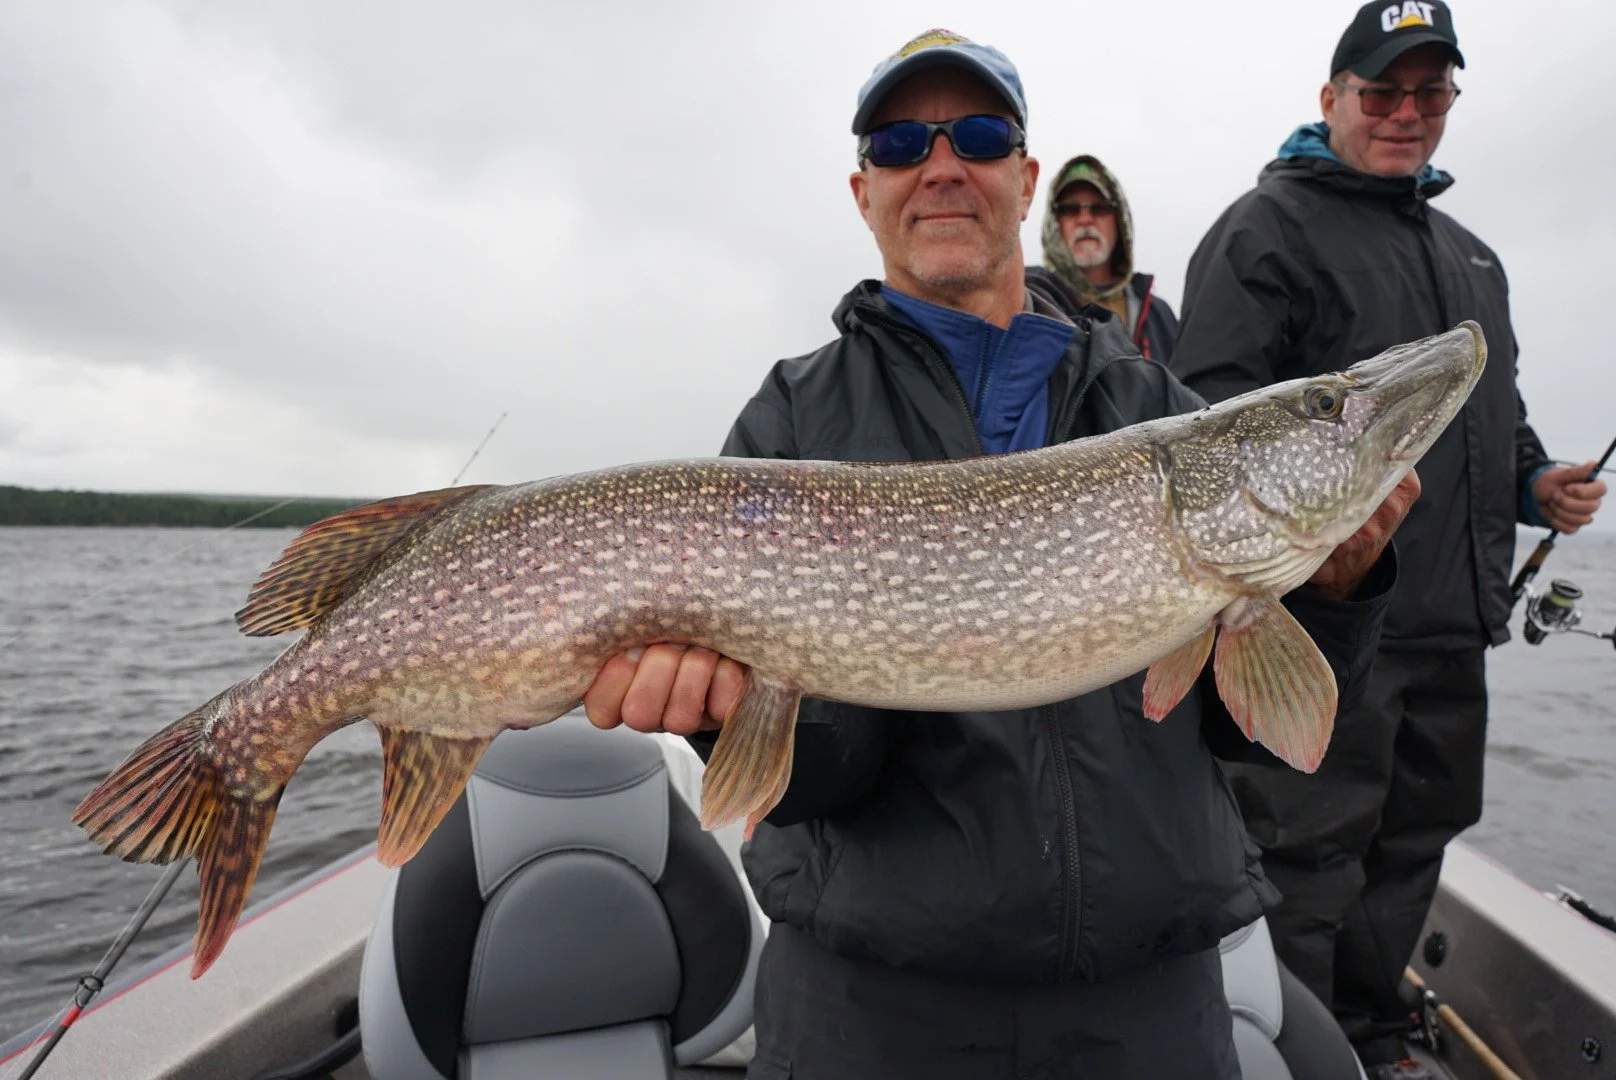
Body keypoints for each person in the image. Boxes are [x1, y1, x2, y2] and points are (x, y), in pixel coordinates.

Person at [584, 29, 1411, 1079]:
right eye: (899, 143)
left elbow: (1255, 737)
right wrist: (718, 714)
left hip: (1144, 997)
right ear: (861, 190)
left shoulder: (1150, 406)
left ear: (1022, 180)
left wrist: (1335, 593)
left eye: (976, 136)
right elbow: (809, 782)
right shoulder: (794, 411)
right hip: (872, 1000)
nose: (939, 166)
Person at [1167, 3, 1607, 1076]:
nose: (1404, 114)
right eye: (1380, 92)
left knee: (1417, 838)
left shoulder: (1473, 260)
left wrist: (1532, 483)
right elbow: (1209, 419)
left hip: (1456, 618)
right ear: (1330, 100)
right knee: (1304, 854)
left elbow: (1487, 414)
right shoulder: (1261, 231)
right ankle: (1287, 1047)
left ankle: (1368, 1034)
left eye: (1428, 94)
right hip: (1329, 625)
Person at [1029, 154, 1179, 361]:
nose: (1085, 220)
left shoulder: (1159, 315)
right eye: (1070, 209)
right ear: (1054, 223)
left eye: (1099, 208)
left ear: (1120, 221)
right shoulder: (1032, 303)